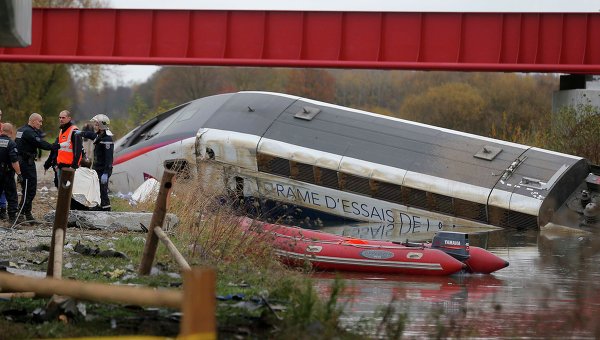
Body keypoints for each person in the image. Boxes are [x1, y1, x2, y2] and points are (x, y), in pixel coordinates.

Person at [16, 113, 56, 223]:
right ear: (33, 121)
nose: (41, 124)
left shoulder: (21, 130)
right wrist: (54, 147)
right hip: (26, 163)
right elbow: (40, 143)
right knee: (30, 189)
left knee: (27, 189)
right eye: (40, 121)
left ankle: (27, 213)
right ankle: (20, 213)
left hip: (23, 162)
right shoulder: (29, 132)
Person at [78, 114, 114, 211]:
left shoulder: (107, 140)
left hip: (103, 170)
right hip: (97, 168)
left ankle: (106, 208)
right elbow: (92, 135)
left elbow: (109, 158)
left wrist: (106, 172)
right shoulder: (100, 136)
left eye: (96, 124)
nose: (94, 126)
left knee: (103, 189)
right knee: (96, 188)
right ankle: (99, 206)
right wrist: (81, 133)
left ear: (102, 126)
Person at [44, 110, 83, 187]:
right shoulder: (62, 130)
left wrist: (74, 166)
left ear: (69, 118)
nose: (61, 119)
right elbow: (57, 148)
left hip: (70, 167)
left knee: (69, 192)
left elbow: (78, 151)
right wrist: (49, 163)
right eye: (60, 117)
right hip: (61, 166)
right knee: (61, 190)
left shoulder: (74, 131)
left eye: (63, 117)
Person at [0, 123, 23, 224]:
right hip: (7, 173)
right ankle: (12, 218)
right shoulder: (11, 144)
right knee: (11, 195)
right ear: (11, 132)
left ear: (2, 131)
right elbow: (14, 161)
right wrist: (19, 174)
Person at [0, 109, 6, 219]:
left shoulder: (4, 127)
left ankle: (3, 208)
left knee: (3, 186)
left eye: (0, 114)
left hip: (3, 162)